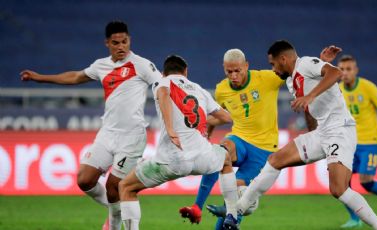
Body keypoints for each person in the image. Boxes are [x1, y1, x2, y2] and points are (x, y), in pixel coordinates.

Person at [236, 40, 377, 230]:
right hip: (322, 132)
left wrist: (311, 94)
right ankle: (238, 209)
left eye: (273, 64)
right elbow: (309, 108)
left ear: (283, 59)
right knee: (275, 160)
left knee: (338, 190)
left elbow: (335, 73)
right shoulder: (290, 80)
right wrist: (312, 135)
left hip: (340, 129)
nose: (273, 69)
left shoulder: (306, 63)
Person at [20, 21, 162, 230]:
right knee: (84, 180)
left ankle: (112, 226)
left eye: (125, 41)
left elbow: (162, 84)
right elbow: (75, 77)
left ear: (129, 40)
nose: (121, 46)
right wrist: (40, 78)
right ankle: (117, 210)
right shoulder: (101, 65)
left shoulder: (141, 65)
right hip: (107, 133)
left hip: (132, 136)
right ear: (107, 43)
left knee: (114, 185)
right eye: (116, 43)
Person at [179, 47, 341, 229]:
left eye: (237, 71)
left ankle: (229, 219)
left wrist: (322, 62)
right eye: (229, 71)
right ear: (224, 68)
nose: (233, 75)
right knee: (217, 154)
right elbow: (219, 115)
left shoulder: (267, 78)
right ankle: (197, 207)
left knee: (237, 200)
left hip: (264, 150)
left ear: (246, 66)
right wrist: (205, 135)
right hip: (239, 139)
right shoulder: (221, 90)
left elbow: (296, 70)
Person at [118, 55, 239, 230]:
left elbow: (163, 94)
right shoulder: (199, 89)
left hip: (173, 159)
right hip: (203, 157)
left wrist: (171, 129)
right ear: (186, 72)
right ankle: (232, 215)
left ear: (163, 73)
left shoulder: (162, 83)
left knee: (126, 187)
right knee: (226, 159)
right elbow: (226, 117)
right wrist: (203, 122)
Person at [338, 55, 377, 228]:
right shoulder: (337, 90)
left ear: (356, 70)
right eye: (341, 69)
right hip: (348, 142)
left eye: (349, 69)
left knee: (365, 182)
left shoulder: (368, 87)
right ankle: (354, 218)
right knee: (342, 184)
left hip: (369, 141)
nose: (345, 73)